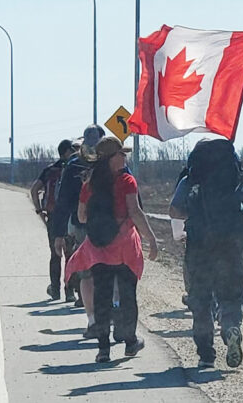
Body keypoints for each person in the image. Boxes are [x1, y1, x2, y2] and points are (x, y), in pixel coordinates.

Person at [65, 136, 158, 363]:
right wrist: (152, 239)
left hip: (99, 249)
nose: (124, 157)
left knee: (102, 297)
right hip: (125, 248)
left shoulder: (90, 183)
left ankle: (103, 349)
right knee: (128, 297)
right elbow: (135, 212)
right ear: (111, 158)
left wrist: (100, 225)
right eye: (121, 154)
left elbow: (81, 216)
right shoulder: (127, 181)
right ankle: (130, 343)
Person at [169, 138, 243, 369]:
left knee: (201, 301)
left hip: (199, 248)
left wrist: (193, 215)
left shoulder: (190, 180)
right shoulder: (235, 178)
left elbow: (174, 210)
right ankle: (230, 330)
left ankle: (206, 355)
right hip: (230, 246)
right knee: (231, 296)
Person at [53, 125, 105, 335]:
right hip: (104, 226)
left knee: (88, 275)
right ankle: (107, 316)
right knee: (105, 272)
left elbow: (62, 202)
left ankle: (94, 320)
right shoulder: (111, 160)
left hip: (87, 226)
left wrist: (58, 233)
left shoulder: (74, 165)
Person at [29, 139, 79, 302]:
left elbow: (34, 189)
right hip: (71, 217)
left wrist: (39, 211)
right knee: (70, 254)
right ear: (66, 151)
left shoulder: (50, 170)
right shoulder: (75, 168)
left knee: (55, 254)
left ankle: (55, 290)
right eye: (72, 149)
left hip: (53, 217)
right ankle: (70, 291)